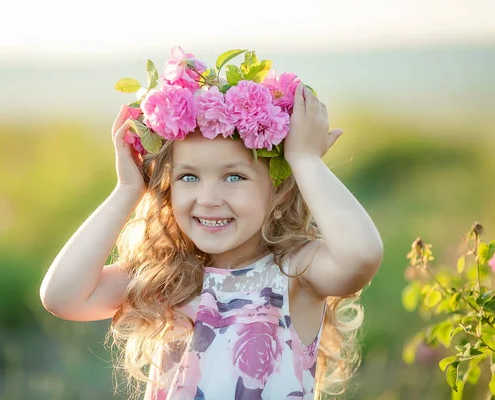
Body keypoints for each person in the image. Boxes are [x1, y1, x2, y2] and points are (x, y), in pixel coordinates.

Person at [39, 46, 384, 400]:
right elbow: (62, 297)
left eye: (234, 177)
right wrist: (128, 189)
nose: (208, 198)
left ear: (278, 191)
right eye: (188, 177)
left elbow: (361, 256)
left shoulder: (294, 272)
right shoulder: (170, 278)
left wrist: (305, 160)